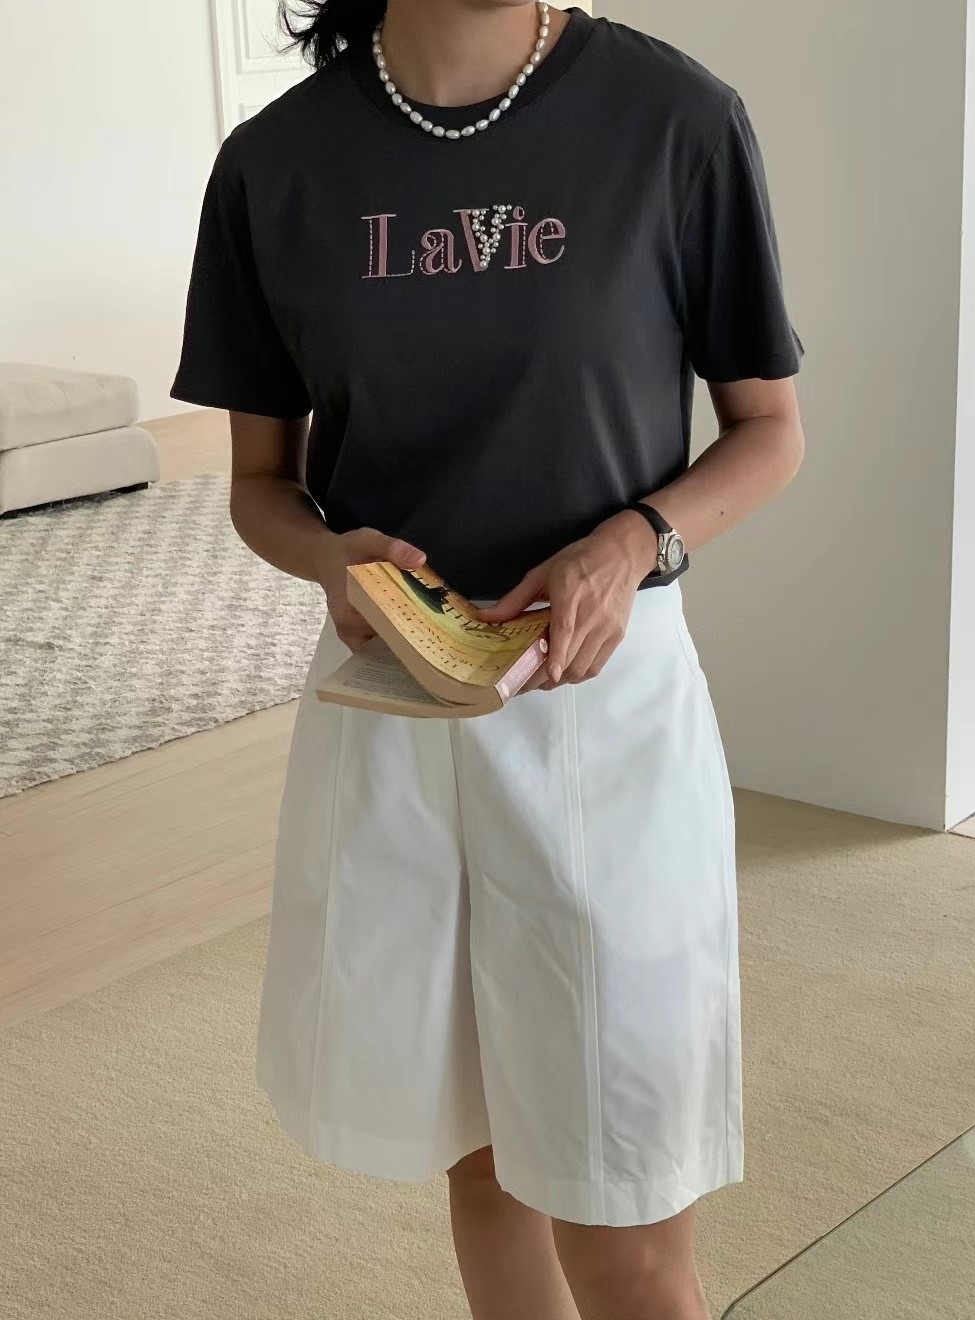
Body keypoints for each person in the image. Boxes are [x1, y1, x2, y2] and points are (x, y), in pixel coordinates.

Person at [170, 3, 806, 1317]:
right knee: (483, 1162)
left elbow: (768, 429)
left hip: (603, 708)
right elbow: (258, 484)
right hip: (394, 712)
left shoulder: (672, 121)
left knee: (625, 1206)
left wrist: (633, 542)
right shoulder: (275, 165)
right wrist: (331, 557)